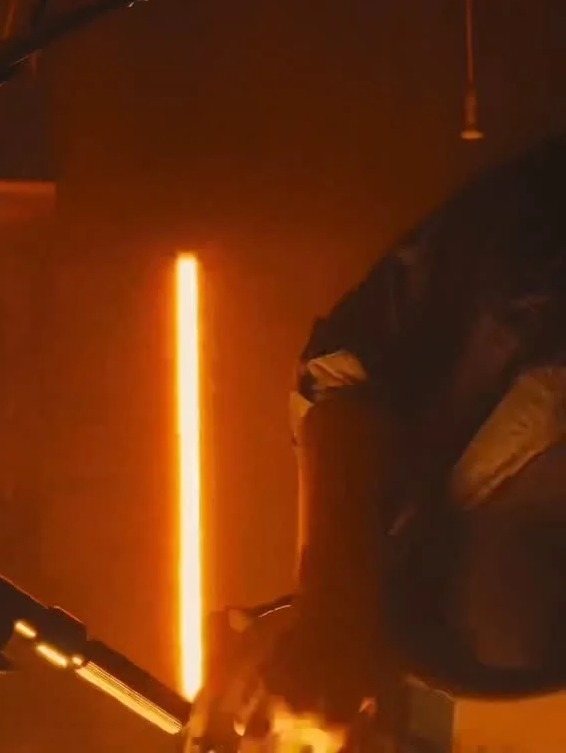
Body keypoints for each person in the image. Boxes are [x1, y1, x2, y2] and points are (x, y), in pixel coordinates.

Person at [194, 135, 566, 749]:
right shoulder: (488, 652)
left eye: (242, 720)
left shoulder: (377, 479)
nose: (256, 717)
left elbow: (342, 377)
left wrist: (332, 605)